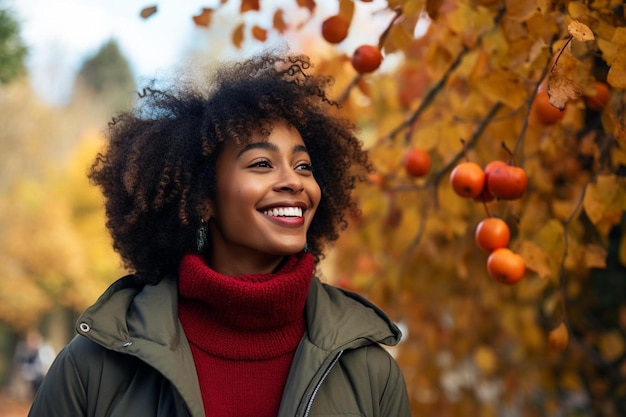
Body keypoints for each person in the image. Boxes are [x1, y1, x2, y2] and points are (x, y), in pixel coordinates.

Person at [28, 51, 411, 417]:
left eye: (303, 166)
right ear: (202, 198)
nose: (293, 181)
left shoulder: (370, 372)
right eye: (262, 163)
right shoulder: (94, 364)